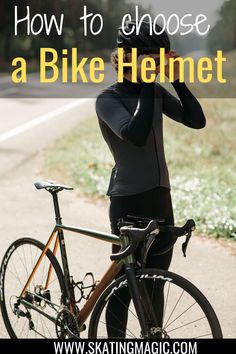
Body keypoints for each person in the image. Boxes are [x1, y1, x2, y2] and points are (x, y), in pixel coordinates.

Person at [95, 20, 206, 337]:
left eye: (158, 58)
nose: (155, 65)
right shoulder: (108, 99)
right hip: (128, 203)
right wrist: (147, 81)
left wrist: (177, 80)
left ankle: (152, 341)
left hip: (160, 200)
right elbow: (137, 134)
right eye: (150, 58)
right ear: (129, 58)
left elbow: (196, 120)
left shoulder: (154, 92)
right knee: (123, 289)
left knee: (156, 281)